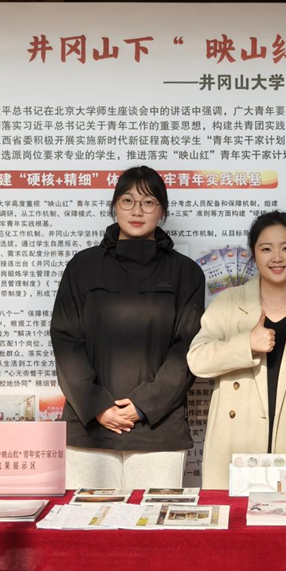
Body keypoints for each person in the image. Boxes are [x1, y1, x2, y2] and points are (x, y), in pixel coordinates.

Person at [50, 166, 205, 489]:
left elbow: (186, 349)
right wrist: (98, 407)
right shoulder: (83, 267)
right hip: (89, 427)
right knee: (87, 520)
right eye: (127, 200)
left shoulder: (186, 273)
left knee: (154, 521)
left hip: (158, 429)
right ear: (114, 206)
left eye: (148, 202)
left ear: (162, 211)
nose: (137, 211)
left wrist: (142, 406)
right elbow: (66, 340)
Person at [187, 211, 286, 489]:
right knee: (234, 516)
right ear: (254, 254)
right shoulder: (228, 304)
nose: (277, 258)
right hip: (236, 442)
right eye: (266, 249)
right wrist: (246, 344)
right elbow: (197, 360)